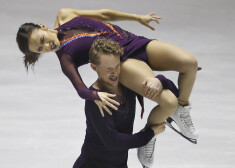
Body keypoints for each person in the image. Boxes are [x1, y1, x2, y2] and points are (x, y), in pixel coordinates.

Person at [16, 8, 199, 167]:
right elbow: (81, 90)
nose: (47, 46)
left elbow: (104, 14)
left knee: (189, 63)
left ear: (43, 27)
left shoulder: (65, 14)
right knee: (168, 102)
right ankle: (148, 138)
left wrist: (137, 18)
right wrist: (96, 95)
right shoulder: (65, 57)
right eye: (40, 49)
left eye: (42, 39)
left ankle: (182, 108)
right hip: (124, 61)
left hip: (134, 41)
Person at [75, 38, 177, 168]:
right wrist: (149, 135)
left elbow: (174, 93)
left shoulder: (127, 86)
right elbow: (113, 142)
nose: (114, 73)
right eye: (108, 69)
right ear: (94, 67)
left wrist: (160, 81)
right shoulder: (96, 100)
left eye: (117, 66)